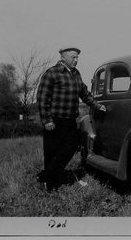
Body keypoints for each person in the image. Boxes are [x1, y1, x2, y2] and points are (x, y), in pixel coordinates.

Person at [36, 46, 106, 191]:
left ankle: (47, 176)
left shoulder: (76, 74)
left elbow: (84, 94)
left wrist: (97, 106)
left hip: (69, 120)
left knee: (72, 146)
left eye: (77, 57)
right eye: (73, 57)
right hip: (54, 120)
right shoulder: (52, 73)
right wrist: (47, 120)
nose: (76, 60)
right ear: (63, 57)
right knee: (52, 151)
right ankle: (50, 185)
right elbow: (42, 98)